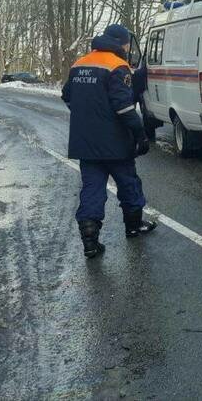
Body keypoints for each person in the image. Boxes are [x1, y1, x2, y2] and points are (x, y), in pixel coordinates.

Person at [62, 24, 156, 258]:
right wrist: (140, 134)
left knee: (92, 189)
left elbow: (68, 96)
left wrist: (88, 115)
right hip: (115, 143)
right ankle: (134, 227)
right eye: (126, 43)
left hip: (86, 143)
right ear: (122, 43)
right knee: (128, 184)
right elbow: (124, 107)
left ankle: (90, 241)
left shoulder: (79, 64)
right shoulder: (117, 66)